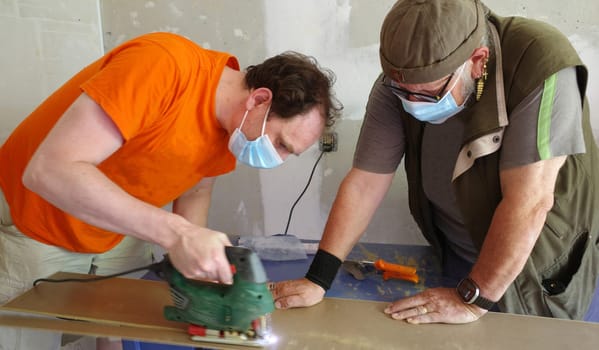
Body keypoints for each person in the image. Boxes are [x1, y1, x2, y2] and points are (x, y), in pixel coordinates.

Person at [0, 32, 341, 349]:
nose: (277, 158)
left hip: (118, 230)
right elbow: (49, 170)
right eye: (281, 143)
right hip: (38, 220)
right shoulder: (162, 66)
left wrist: (205, 270)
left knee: (117, 332)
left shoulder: (232, 132)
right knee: (26, 338)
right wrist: (177, 235)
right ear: (260, 99)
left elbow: (195, 190)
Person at [272, 0, 599, 325]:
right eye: (403, 93)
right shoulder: (398, 82)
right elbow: (365, 182)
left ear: (476, 61)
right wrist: (318, 279)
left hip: (534, 270)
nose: (412, 104)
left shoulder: (539, 62)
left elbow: (529, 202)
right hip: (457, 257)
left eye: (427, 95)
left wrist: (472, 298)